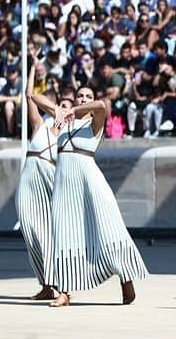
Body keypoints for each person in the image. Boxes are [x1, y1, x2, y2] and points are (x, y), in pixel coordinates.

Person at [43, 84, 147, 308]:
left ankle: (125, 276)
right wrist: (59, 109)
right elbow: (33, 98)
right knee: (63, 233)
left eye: (87, 96)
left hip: (90, 182)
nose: (82, 99)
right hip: (64, 183)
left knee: (109, 230)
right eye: (79, 96)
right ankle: (64, 291)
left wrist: (73, 110)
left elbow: (101, 105)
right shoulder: (63, 120)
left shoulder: (94, 122)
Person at [17, 59, 71, 300]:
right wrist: (32, 67)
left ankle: (58, 284)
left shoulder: (70, 133)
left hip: (50, 177)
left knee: (50, 232)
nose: (64, 110)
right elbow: (29, 96)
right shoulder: (41, 124)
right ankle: (45, 283)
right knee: (30, 228)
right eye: (61, 105)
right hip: (30, 172)